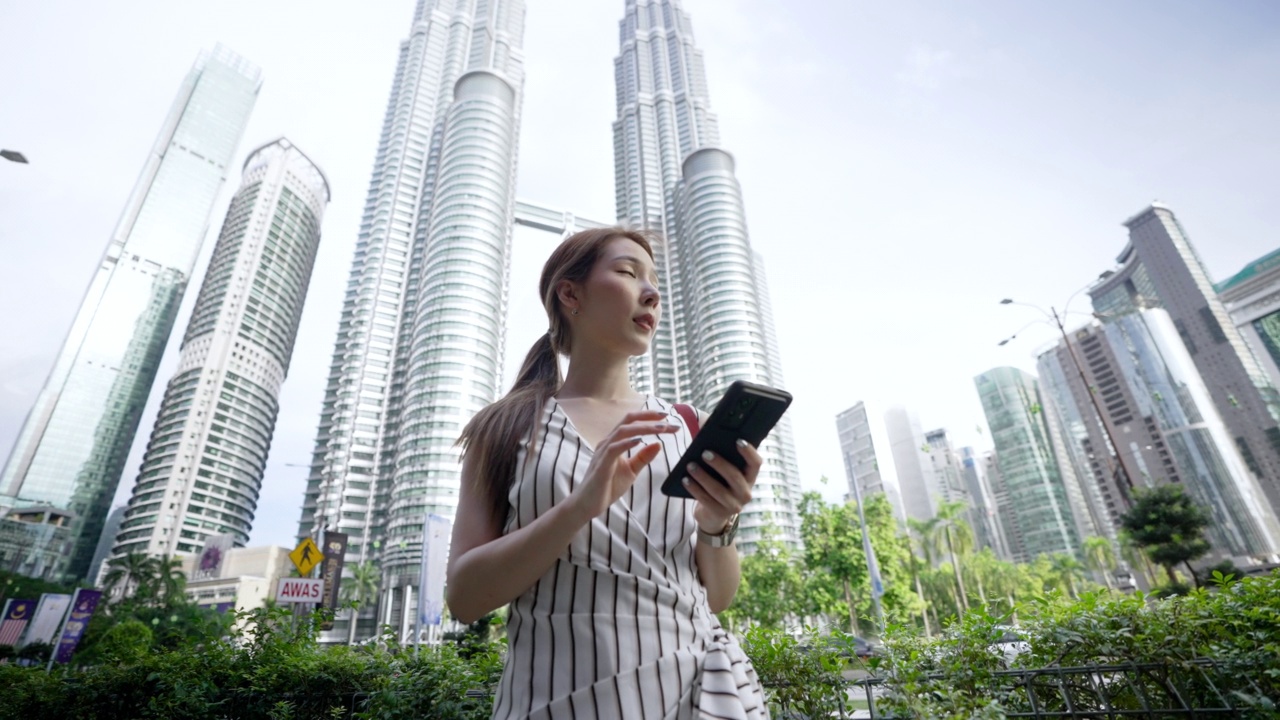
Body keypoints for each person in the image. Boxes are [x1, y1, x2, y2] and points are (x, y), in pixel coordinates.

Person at [446, 227, 769, 719]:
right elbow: (465, 599)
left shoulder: (685, 425)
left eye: (654, 280)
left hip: (687, 695)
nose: (652, 291)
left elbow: (718, 597)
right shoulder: (504, 428)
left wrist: (717, 523)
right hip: (552, 700)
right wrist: (578, 507)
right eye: (626, 272)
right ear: (570, 293)